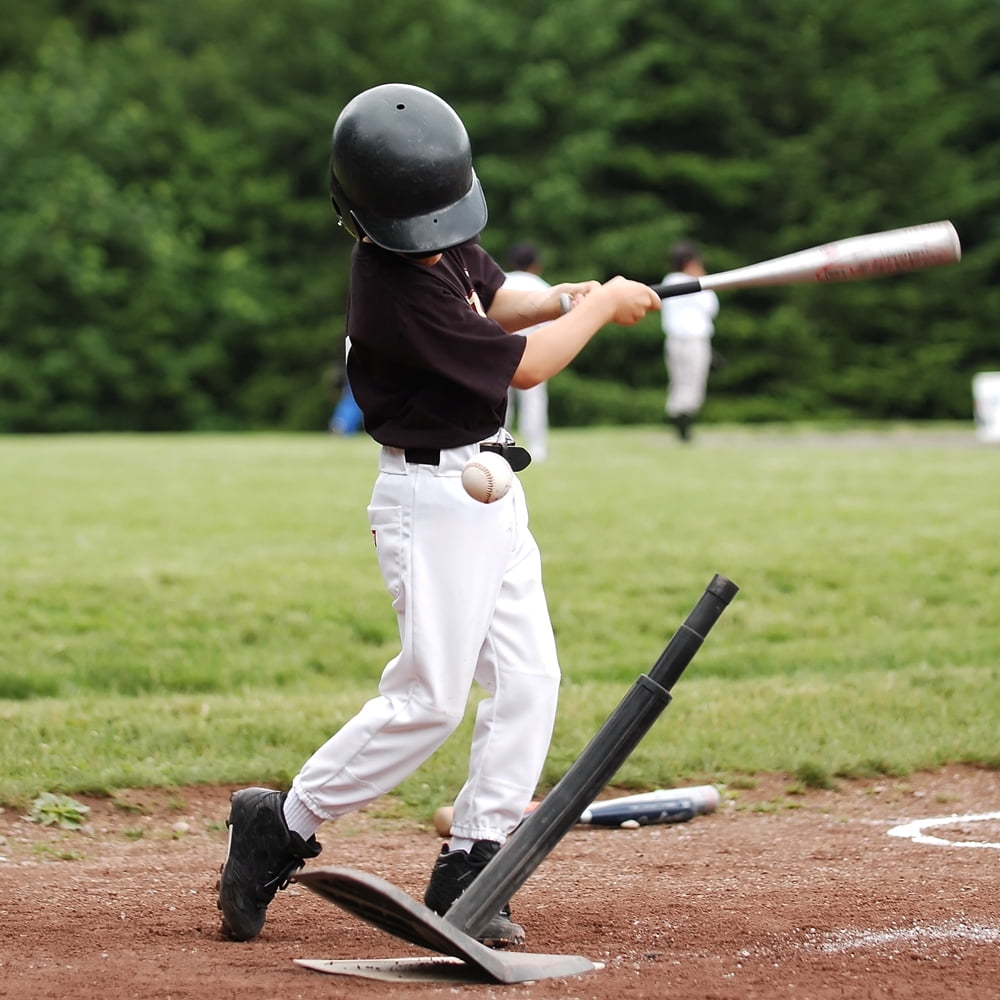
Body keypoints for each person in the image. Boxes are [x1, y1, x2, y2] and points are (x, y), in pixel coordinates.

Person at [216, 83, 659, 949]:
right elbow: (525, 369)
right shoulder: (392, 288)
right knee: (430, 698)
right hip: (431, 500)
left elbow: (497, 304)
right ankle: (285, 820)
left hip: (490, 486)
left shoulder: (437, 240)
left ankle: (475, 862)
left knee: (530, 681)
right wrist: (603, 310)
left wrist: (566, 296)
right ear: (369, 221)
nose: (440, 244)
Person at [660, 240, 720, 442]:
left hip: (674, 339)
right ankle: (684, 428)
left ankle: (679, 423)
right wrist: (701, 278)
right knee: (692, 383)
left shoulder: (668, 280)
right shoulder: (693, 282)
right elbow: (711, 307)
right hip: (694, 340)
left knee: (678, 382)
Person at [502, 242, 551, 461]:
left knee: (501, 400)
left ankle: (497, 443)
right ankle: (536, 447)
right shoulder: (541, 285)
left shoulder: (502, 281)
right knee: (534, 399)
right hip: (533, 348)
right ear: (536, 265)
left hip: (501, 347)